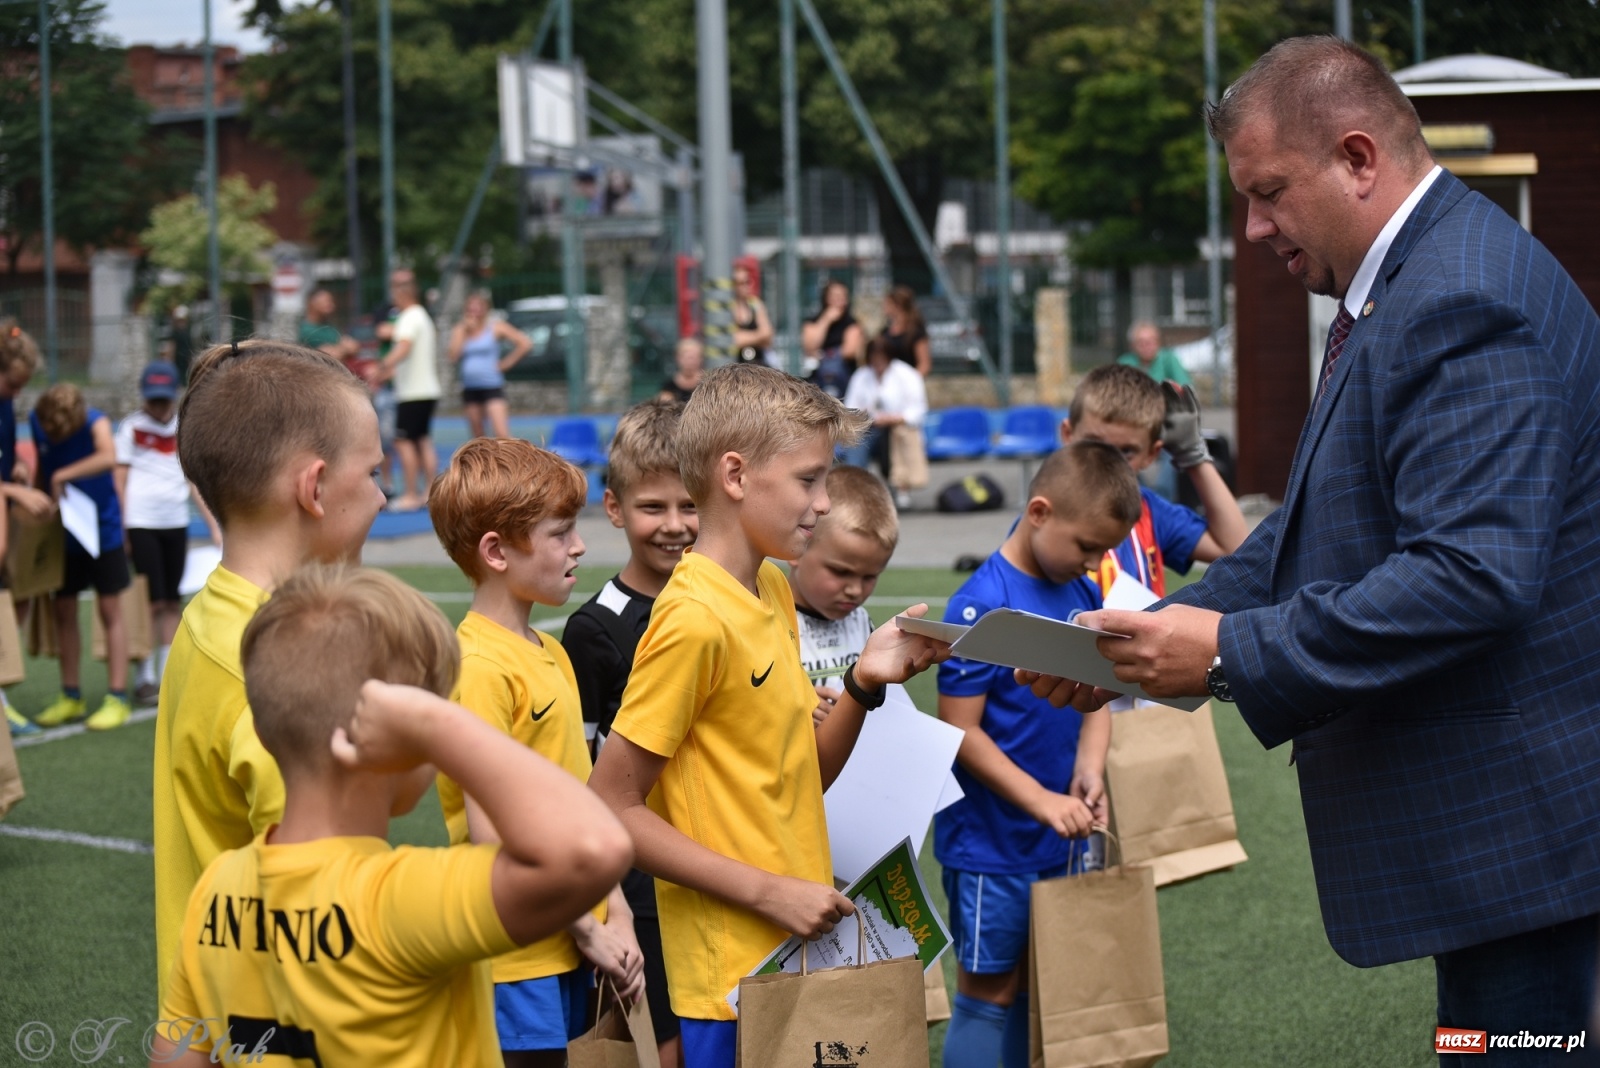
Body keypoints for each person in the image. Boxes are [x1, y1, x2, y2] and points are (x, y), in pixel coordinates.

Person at [1023, 37, 1600, 1057]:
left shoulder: (1460, 298)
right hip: (1508, 851)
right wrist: (1152, 634)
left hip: (1525, 848)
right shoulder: (1418, 279)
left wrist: (1225, 654)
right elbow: (1325, 523)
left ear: (1358, 157)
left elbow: (1472, 576)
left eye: (1268, 193)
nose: (1251, 228)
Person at [588, 364, 949, 1068]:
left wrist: (863, 685)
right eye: (809, 479)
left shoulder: (774, 588)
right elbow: (611, 804)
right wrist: (769, 892)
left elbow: (798, 779)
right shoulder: (692, 617)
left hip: (794, 952)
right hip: (730, 981)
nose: (822, 502)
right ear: (735, 475)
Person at [150, 563, 633, 1068]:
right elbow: (599, 848)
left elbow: (175, 1056)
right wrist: (439, 727)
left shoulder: (214, 893)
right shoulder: (404, 899)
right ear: (395, 738)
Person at [153, 340, 387, 998]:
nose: (381, 496)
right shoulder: (280, 660)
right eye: (372, 473)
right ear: (314, 488)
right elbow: (322, 905)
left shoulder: (213, 618)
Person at [428, 438, 643, 1067]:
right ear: (496, 551)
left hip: (579, 934)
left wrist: (618, 913)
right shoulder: (477, 668)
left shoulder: (549, 653)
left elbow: (581, 804)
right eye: (559, 533)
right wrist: (590, 928)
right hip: (517, 956)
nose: (578, 546)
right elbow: (494, 836)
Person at [935, 442, 1139, 1068]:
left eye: (1104, 551)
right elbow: (960, 732)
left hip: (1058, 836)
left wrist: (1089, 766)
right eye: (1086, 546)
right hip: (991, 848)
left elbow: (1095, 699)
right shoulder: (981, 602)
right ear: (1039, 512)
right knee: (988, 989)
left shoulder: (1080, 593)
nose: (1094, 561)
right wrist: (1041, 800)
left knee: (1036, 981)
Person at [564, 398, 697, 1067]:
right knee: (663, 1044)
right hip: (643, 878)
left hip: (725, 852)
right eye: (654, 507)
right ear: (614, 509)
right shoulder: (596, 630)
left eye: (689, 505)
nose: (675, 526)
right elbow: (582, 773)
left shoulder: (731, 598)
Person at [1061, 364, 1246, 599]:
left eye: (1127, 451)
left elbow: (1236, 549)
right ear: (1068, 435)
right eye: (1095, 444)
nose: (1108, 462)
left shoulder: (1150, 512)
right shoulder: (1046, 512)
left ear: (1151, 455)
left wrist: (1192, 455)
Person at [113, 361, 221, 707]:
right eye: (153, 400)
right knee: (151, 599)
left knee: (172, 599)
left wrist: (213, 524)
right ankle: (144, 676)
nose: (158, 407)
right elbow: (120, 480)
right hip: (141, 522)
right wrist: (124, 527)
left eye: (164, 400)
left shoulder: (182, 429)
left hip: (175, 521)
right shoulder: (131, 428)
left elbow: (193, 482)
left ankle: (166, 674)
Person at [29, 384, 132, 731]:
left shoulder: (95, 421)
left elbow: (107, 457)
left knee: (109, 609)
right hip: (65, 531)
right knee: (64, 610)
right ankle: (71, 695)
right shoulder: (36, 419)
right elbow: (42, 471)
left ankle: (117, 696)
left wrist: (63, 475)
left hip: (102, 529)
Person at [787, 465, 896, 727]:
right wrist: (787, 708)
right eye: (840, 572)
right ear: (796, 551)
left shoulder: (861, 623)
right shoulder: (764, 618)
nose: (855, 590)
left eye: (870, 576)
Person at [0, 321, 57, 737]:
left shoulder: (5, 402)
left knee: (14, 597)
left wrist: (13, 470)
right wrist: (14, 492)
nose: (16, 394)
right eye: (12, 384)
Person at [378, 270, 440, 512]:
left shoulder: (408, 317)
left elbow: (404, 347)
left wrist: (383, 365)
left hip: (413, 393)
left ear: (403, 295)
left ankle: (412, 493)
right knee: (422, 440)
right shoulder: (423, 316)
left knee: (403, 442)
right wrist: (387, 374)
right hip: (426, 389)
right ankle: (429, 490)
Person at [843, 337, 927, 506]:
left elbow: (917, 410)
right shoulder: (862, 375)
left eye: (881, 357)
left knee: (899, 438)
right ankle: (855, 489)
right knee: (855, 442)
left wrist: (893, 418)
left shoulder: (906, 374)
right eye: (873, 357)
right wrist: (868, 416)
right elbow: (850, 407)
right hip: (869, 427)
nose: (877, 361)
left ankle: (901, 486)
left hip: (897, 428)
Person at [1113, 323, 1192, 500]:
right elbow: (1118, 396)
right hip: (1134, 424)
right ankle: (1140, 495)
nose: (1147, 346)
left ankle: (1162, 499)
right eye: (1141, 342)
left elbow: (1183, 389)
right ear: (1133, 346)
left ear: (1158, 343)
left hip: (1166, 422)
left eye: (1151, 341)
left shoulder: (1169, 359)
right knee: (1120, 452)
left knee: (1172, 451)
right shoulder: (1126, 363)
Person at [449, 290, 533, 440]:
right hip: (470, 387)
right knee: (478, 437)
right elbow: (454, 356)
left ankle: (512, 461)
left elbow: (525, 343)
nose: (474, 312)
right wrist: (464, 331)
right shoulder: (460, 330)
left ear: (485, 309)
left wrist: (507, 363)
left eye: (478, 308)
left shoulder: (495, 327)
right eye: (470, 309)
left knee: (501, 434)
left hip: (491, 386)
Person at [801, 280, 864, 399]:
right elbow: (810, 346)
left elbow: (849, 351)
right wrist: (826, 320)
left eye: (842, 297)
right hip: (818, 380)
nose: (839, 301)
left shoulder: (852, 324)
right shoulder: (813, 322)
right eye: (835, 297)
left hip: (844, 380)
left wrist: (824, 354)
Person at [880, 285, 931, 376]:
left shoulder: (915, 333)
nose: (884, 307)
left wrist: (910, 382)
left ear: (897, 305)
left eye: (888, 303)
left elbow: (924, 364)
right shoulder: (884, 333)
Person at [298, 288, 359, 362]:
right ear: (312, 303)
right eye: (327, 301)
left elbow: (354, 347)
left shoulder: (330, 326)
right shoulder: (306, 330)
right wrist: (344, 349)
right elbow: (329, 356)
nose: (332, 305)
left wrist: (339, 350)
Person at [731, 264, 775, 366]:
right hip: (734, 367)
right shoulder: (728, 308)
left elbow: (768, 337)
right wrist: (758, 336)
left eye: (748, 282)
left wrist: (743, 336)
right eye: (741, 283)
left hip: (758, 365)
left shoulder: (755, 304)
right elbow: (733, 341)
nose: (746, 286)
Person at [658, 338, 703, 404]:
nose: (691, 362)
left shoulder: (707, 383)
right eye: (688, 357)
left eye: (694, 357)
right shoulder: (668, 387)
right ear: (678, 358)